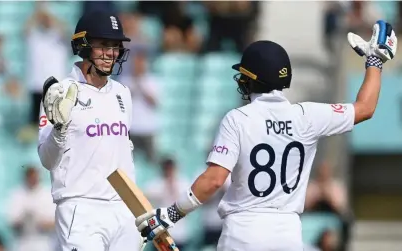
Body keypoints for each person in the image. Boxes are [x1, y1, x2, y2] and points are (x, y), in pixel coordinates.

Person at [133, 20, 398, 251]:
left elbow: (214, 180)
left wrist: (170, 214)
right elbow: (365, 108)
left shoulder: (237, 119)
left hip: (243, 233)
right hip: (287, 234)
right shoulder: (308, 116)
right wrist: (374, 62)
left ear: (252, 79)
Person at [38, 11, 145, 251]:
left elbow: (123, 156)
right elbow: (47, 160)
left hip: (123, 209)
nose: (111, 53)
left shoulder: (122, 93)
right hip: (80, 207)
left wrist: (139, 211)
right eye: (104, 45)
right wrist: (59, 130)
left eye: (115, 46)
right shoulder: (60, 92)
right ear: (84, 46)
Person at [7, 166, 56, 251]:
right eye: (30, 177)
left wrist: (38, 221)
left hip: (43, 241)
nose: (33, 180)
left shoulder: (47, 194)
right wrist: (25, 220)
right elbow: (11, 221)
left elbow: (55, 222)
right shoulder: (17, 194)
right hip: (22, 241)